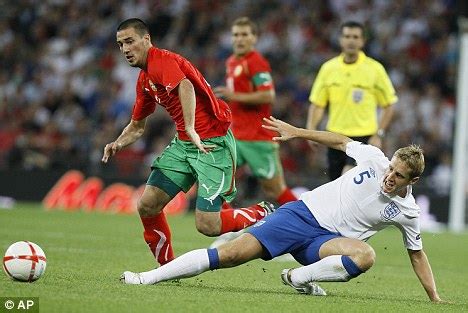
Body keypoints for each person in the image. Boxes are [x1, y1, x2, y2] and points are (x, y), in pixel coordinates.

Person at [120, 116, 443, 303]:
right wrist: (299, 132)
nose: (389, 177)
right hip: (300, 216)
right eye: (391, 169)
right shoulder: (374, 158)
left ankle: (298, 276)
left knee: (365, 255)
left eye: (398, 176)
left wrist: (435, 299)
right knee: (229, 256)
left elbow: (417, 254)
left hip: (325, 245)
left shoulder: (408, 211)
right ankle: (146, 278)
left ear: (411, 180)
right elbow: (341, 141)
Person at [102, 18, 275, 267]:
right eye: (120, 45)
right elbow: (137, 127)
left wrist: (191, 127)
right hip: (185, 143)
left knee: (208, 225)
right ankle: (168, 267)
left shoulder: (162, 60)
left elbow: (185, 86)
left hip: (212, 143)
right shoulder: (144, 80)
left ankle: (262, 211)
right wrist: (118, 142)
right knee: (148, 205)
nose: (125, 49)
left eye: (129, 41)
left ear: (146, 39)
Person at [214, 17, 297, 205]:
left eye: (244, 35)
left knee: (274, 189)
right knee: (220, 179)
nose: (239, 39)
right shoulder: (231, 61)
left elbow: (268, 95)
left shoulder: (256, 62)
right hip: (236, 136)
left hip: (258, 138)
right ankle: (224, 227)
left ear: (254, 38)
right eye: (236, 35)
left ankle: (306, 221)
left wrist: (234, 96)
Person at [307, 21, 397, 181]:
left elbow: (389, 105)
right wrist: (311, 129)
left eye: (355, 37)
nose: (351, 41)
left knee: (348, 177)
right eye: (347, 36)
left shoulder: (374, 69)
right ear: (340, 40)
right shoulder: (329, 68)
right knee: (336, 184)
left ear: (362, 41)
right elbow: (318, 104)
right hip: (334, 136)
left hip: (363, 137)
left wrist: (379, 134)